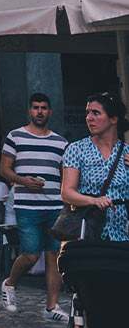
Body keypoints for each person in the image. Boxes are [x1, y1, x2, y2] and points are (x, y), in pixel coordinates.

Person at [0, 92, 69, 320]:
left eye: (44, 108)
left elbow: (64, 176)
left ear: (50, 111)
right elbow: (4, 169)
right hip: (26, 206)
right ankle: (10, 284)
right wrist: (23, 180)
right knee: (30, 255)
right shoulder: (15, 136)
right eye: (36, 107)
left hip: (55, 207)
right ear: (30, 110)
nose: (40, 112)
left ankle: (51, 307)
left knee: (54, 255)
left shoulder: (61, 142)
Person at [61, 92, 129, 242]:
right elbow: (67, 192)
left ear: (113, 119)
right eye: (87, 113)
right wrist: (93, 201)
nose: (89, 118)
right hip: (88, 234)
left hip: (122, 235)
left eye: (96, 113)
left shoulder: (126, 152)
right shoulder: (76, 149)